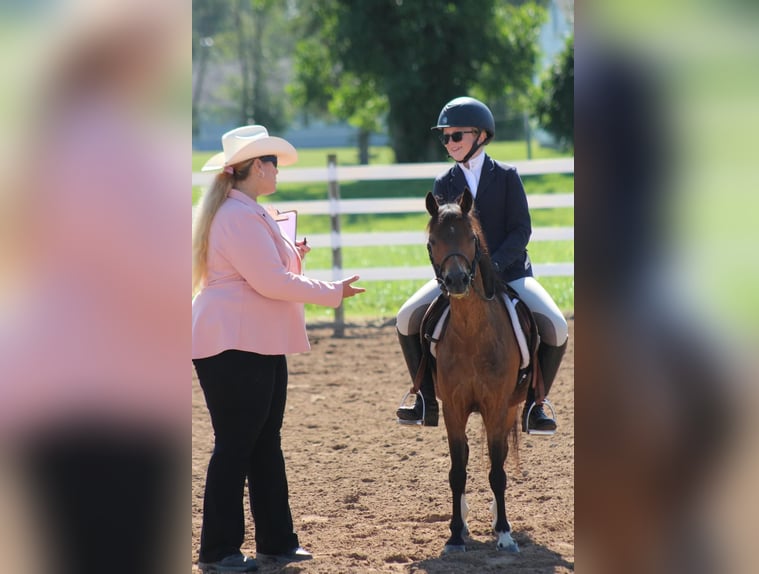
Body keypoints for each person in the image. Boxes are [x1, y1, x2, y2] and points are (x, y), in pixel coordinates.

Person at [192, 125, 364, 573]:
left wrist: (293, 254)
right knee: (236, 444)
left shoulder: (248, 211)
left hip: (252, 338)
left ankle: (276, 541)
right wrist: (330, 291)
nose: (275, 168)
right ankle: (218, 550)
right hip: (235, 341)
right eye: (269, 161)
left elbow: (268, 271)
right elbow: (268, 282)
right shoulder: (238, 215)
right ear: (252, 169)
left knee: (264, 441)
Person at [395, 96, 569, 433]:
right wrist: (450, 274)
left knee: (558, 327)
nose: (450, 143)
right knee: (405, 318)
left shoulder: (506, 176)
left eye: (456, 136)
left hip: (510, 273)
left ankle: (536, 404)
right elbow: (440, 238)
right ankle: (425, 399)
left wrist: (495, 266)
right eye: (445, 137)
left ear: (481, 136)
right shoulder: (444, 183)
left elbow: (522, 229)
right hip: (457, 277)